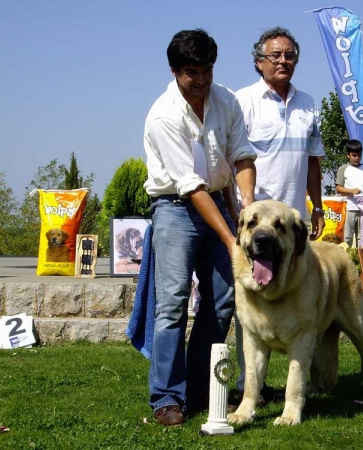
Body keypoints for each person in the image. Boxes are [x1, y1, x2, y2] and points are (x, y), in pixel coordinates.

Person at [143, 29, 256, 426]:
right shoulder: (163, 115)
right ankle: (166, 398)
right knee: (172, 304)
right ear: (174, 70)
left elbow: (241, 156)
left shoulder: (226, 101)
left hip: (219, 202)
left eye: (208, 69)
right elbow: (191, 187)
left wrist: (248, 209)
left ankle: (200, 387)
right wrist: (231, 240)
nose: (203, 79)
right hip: (176, 209)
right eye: (193, 72)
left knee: (224, 298)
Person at [233, 26, 325, 398]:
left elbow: (314, 162)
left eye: (290, 55)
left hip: (292, 226)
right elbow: (237, 157)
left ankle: (298, 380)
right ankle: (247, 385)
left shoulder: (310, 104)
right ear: (259, 62)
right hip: (255, 222)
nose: (284, 61)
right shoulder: (242, 101)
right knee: (248, 298)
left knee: (296, 294)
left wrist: (316, 206)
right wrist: (246, 208)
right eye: (275, 55)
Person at [335, 139, 363, 247]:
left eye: (359, 155)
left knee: (362, 236)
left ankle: (360, 259)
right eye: (354, 155)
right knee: (347, 236)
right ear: (348, 155)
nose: (357, 158)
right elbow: (338, 188)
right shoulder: (343, 169)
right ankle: (346, 258)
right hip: (349, 207)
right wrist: (351, 191)